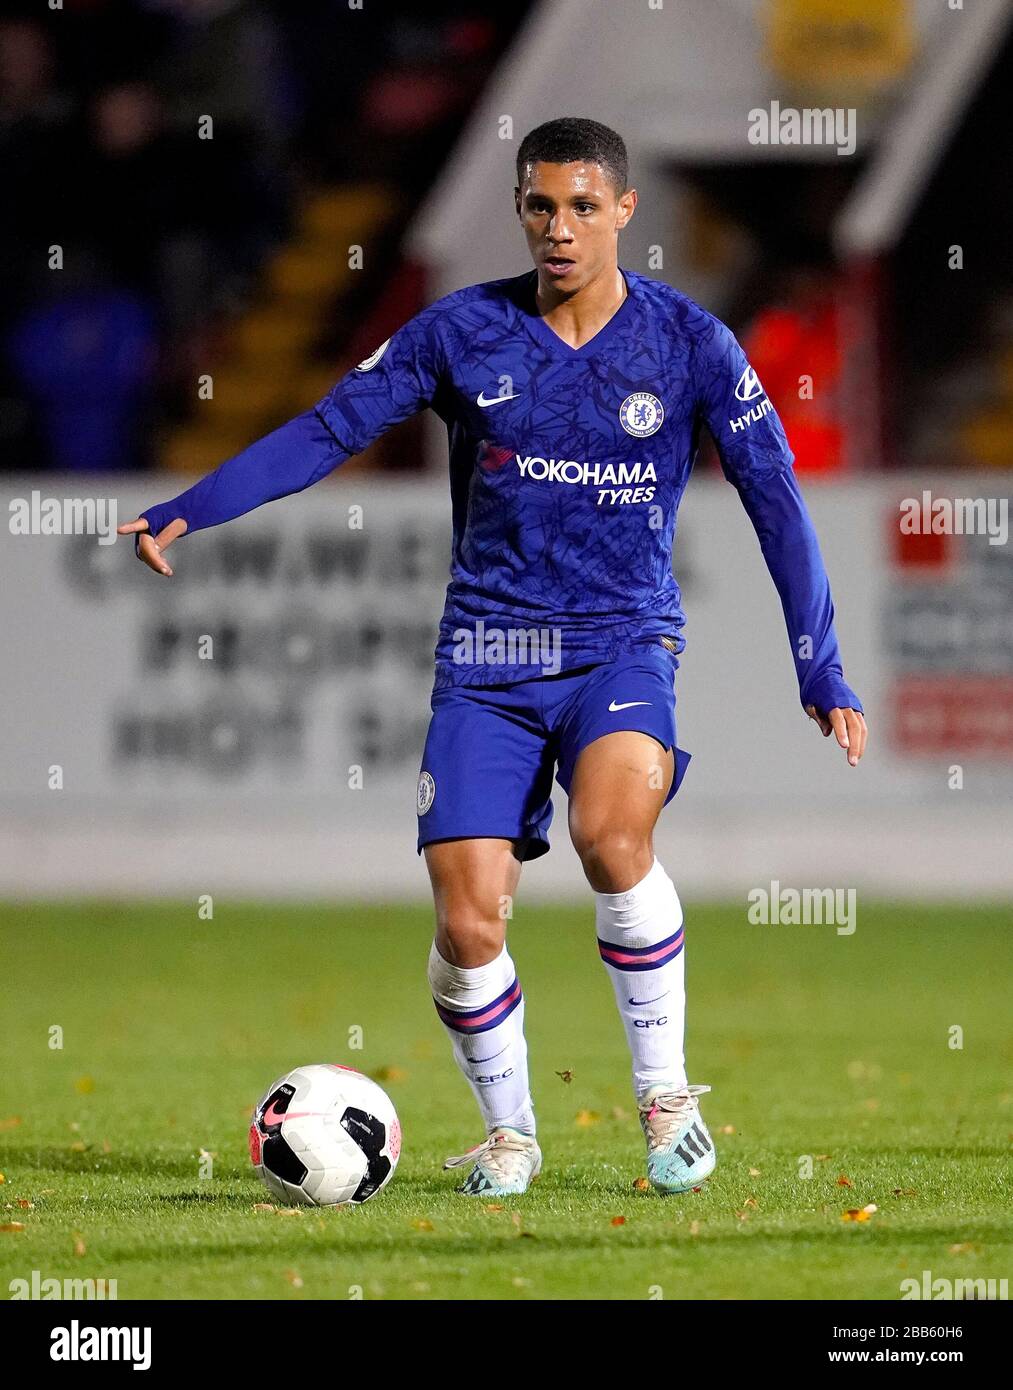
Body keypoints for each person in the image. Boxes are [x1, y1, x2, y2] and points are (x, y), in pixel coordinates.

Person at [119, 117, 867, 1198]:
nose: (556, 229)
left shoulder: (690, 344)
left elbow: (777, 507)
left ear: (621, 210)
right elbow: (330, 428)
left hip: (620, 644)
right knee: (469, 922)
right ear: (521, 212)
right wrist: (193, 506)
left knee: (611, 836)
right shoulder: (461, 334)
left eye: (578, 206)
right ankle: (509, 1134)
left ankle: (664, 1099)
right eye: (537, 207)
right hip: (485, 653)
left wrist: (820, 667)